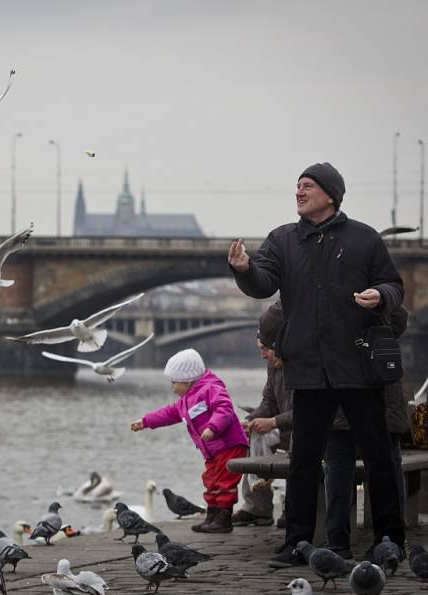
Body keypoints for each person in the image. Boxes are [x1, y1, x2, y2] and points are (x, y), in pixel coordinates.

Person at [228, 161, 406, 568]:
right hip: (308, 369)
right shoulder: (283, 240)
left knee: (378, 457)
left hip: (358, 366)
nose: (298, 192)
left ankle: (389, 538)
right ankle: (297, 543)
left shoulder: (364, 239)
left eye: (307, 186)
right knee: (304, 461)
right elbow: (263, 282)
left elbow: (394, 285)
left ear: (330, 194)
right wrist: (243, 269)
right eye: (297, 186)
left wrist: (380, 294)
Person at [323, 306, 412, 559]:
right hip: (379, 383)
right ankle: (391, 539)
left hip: (346, 383)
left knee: (341, 465)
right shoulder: (380, 289)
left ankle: (339, 540)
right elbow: (399, 321)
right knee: (387, 464)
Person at [130, 348, 249, 533]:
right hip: (212, 450)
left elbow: (224, 408)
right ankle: (212, 515)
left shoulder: (211, 388)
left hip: (229, 445)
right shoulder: (186, 400)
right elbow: (168, 413)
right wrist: (146, 421)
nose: (172, 387)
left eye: (174, 382)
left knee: (224, 482)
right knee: (210, 480)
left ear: (187, 380)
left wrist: (213, 427)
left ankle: (224, 519)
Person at [233, 300, 294, 528]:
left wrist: (273, 422)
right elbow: (269, 401)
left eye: (264, 349)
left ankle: (294, 506)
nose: (262, 355)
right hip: (287, 428)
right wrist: (250, 421)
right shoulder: (273, 366)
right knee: (255, 433)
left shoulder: (301, 364)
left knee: (299, 444)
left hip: (311, 431)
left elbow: (308, 413)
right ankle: (257, 508)